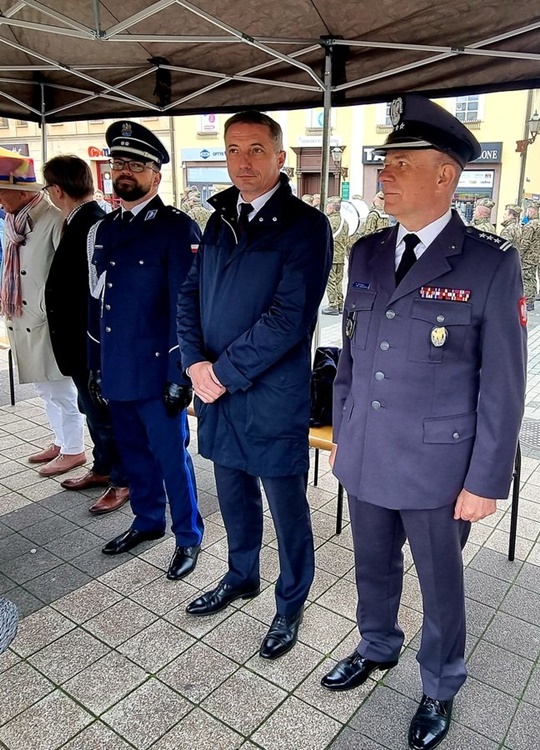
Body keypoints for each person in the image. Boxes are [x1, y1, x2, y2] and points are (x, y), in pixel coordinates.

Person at [324, 94, 527, 750]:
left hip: (441, 467)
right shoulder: (368, 253)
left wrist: (486, 480)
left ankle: (440, 683)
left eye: (400, 163)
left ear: (445, 176)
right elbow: (352, 356)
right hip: (367, 451)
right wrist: (343, 431)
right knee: (372, 565)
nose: (384, 173)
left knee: (441, 586)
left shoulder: (489, 263)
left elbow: (503, 385)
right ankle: (377, 643)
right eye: (384, 161)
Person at [178, 111, 331, 660]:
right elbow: (189, 297)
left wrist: (219, 373)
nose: (243, 161)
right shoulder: (218, 220)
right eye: (233, 149)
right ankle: (241, 574)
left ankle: (291, 602)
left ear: (280, 158)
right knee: (233, 494)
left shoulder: (305, 226)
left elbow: (289, 318)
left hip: (268, 396)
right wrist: (195, 362)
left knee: (286, 506)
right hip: (216, 391)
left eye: (256, 150)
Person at [89, 121, 203, 581]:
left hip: (159, 372)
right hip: (117, 367)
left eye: (136, 165)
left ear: (156, 176)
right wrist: (96, 364)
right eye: (119, 163)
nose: (125, 172)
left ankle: (188, 536)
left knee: (171, 458)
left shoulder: (176, 229)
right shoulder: (103, 229)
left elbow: (186, 306)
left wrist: (182, 375)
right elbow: (98, 304)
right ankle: (147, 521)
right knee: (133, 454)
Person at [41, 155, 130, 513]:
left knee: (104, 413)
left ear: (58, 190)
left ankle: (123, 481)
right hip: (81, 342)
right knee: (91, 410)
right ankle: (104, 467)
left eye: (47, 187)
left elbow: (101, 293)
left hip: (90, 341)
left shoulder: (94, 225)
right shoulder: (81, 220)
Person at [0, 150, 87, 478]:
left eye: (0, 191)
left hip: (47, 323)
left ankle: (74, 449)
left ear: (22, 191)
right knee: (43, 387)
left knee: (60, 387)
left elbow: (67, 276)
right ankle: (61, 440)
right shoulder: (15, 220)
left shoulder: (53, 219)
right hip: (23, 319)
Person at [323, 198, 351, 315]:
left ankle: (333, 305)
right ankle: (340, 303)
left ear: (333, 208)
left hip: (331, 255)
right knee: (339, 281)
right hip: (340, 256)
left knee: (331, 281)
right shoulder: (345, 222)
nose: (326, 209)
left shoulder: (328, 221)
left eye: (328, 207)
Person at [520, 201, 540, 307]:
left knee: (526, 278)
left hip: (528, 256)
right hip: (536, 255)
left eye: (529, 211)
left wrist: (519, 254)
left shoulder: (531, 225)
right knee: (532, 277)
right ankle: (532, 299)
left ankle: (528, 301)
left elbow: (525, 242)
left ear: (532, 211)